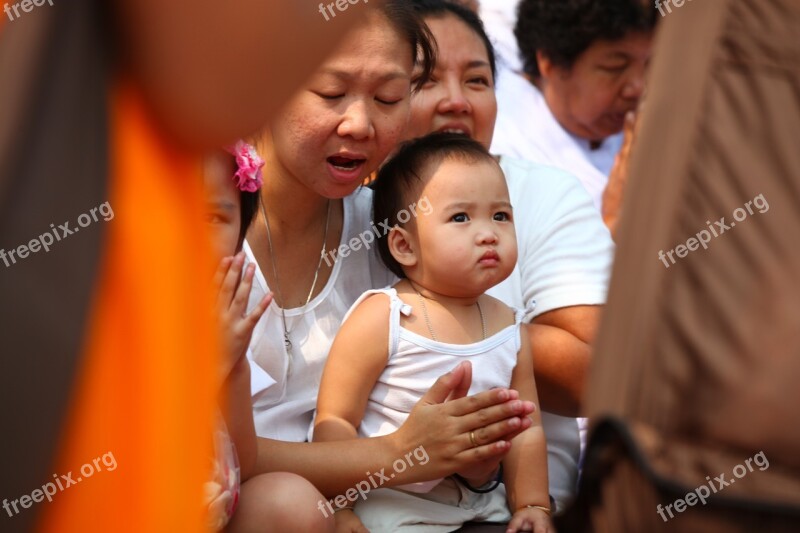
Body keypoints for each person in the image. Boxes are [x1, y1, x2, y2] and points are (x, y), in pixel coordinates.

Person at [243, 0, 537, 502]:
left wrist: (477, 458)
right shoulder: (206, 226)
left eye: (388, 96)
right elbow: (212, 448)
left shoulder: (401, 235)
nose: (360, 123)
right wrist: (399, 454)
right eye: (331, 92)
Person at [404, 0, 614, 511]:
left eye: (477, 81)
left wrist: (467, 322)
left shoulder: (545, 193)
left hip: (516, 515)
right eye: (426, 80)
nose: (457, 100)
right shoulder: (352, 202)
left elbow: (599, 377)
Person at [315, 133, 553, 533]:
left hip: (479, 504)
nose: (488, 233)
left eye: (501, 216)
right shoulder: (386, 316)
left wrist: (533, 504)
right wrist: (339, 507)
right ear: (405, 246)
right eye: (460, 217)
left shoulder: (510, 325)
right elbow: (336, 419)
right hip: (392, 503)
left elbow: (527, 427)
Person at [202, 143, 334, 532]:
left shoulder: (219, 320)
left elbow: (242, 457)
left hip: (215, 501)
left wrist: (232, 365)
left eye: (212, 217)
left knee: (296, 505)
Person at [487, 0, 655, 210]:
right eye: (615, 67)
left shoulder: (655, 128)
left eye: (650, 65)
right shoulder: (501, 152)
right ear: (550, 61)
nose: (638, 87)